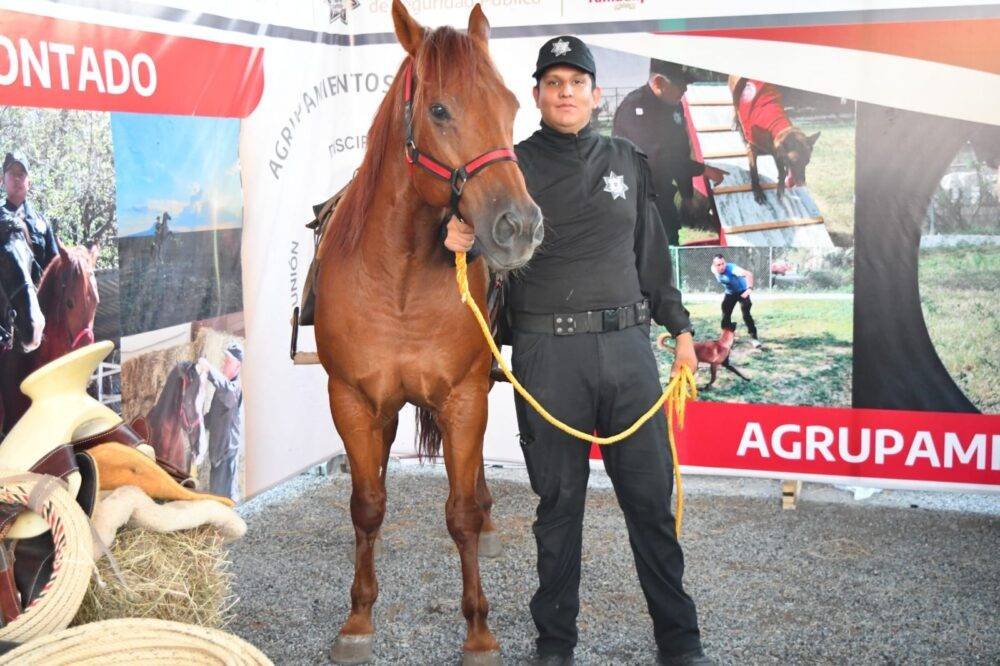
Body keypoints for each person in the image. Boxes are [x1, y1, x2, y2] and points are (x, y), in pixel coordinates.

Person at [446, 36, 710, 666]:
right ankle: (555, 646)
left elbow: (653, 256)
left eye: (577, 81)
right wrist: (450, 233)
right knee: (558, 508)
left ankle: (680, 641)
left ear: (595, 94)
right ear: (537, 95)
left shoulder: (628, 157)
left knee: (649, 502)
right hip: (548, 354)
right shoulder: (511, 165)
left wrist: (677, 330)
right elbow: (463, 228)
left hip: (627, 351)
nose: (565, 92)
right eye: (553, 81)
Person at [613, 60, 727, 246]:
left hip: (662, 197)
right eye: (680, 86)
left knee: (671, 241)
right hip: (636, 200)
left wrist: (687, 194)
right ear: (659, 83)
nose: (684, 92)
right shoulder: (634, 108)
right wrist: (703, 169)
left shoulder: (673, 105)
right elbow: (657, 158)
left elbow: (679, 150)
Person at [197, 342, 244, 500]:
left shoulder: (234, 389)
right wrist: (197, 422)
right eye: (224, 361)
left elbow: (226, 389)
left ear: (238, 367)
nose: (224, 364)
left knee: (225, 498)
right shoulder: (222, 390)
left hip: (227, 452)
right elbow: (213, 417)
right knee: (216, 495)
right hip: (217, 452)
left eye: (228, 362)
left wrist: (209, 369)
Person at [1, 151, 58, 283]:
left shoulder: (42, 223)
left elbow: (55, 266)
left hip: (39, 301)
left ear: (29, 182)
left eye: (21, 174)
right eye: (12, 174)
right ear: (2, 181)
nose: (17, 179)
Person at [711, 254, 761, 347]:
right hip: (730, 293)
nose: (722, 266)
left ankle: (754, 338)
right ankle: (728, 337)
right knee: (725, 314)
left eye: (723, 263)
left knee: (746, 314)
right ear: (714, 266)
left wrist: (749, 289)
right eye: (718, 265)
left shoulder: (733, 269)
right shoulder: (713, 270)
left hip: (743, 292)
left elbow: (748, 274)